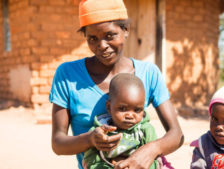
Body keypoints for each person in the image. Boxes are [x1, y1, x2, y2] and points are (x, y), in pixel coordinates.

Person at [49, 0, 183, 169]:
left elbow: (176, 134)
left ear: (125, 30)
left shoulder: (149, 73)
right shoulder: (67, 75)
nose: (102, 46)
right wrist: (90, 139)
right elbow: (57, 143)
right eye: (92, 38)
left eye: (110, 36)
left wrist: (149, 151)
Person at [83, 73, 171, 169]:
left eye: (137, 110)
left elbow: (156, 161)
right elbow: (90, 160)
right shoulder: (99, 132)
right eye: (123, 108)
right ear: (109, 107)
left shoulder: (146, 130)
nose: (130, 115)